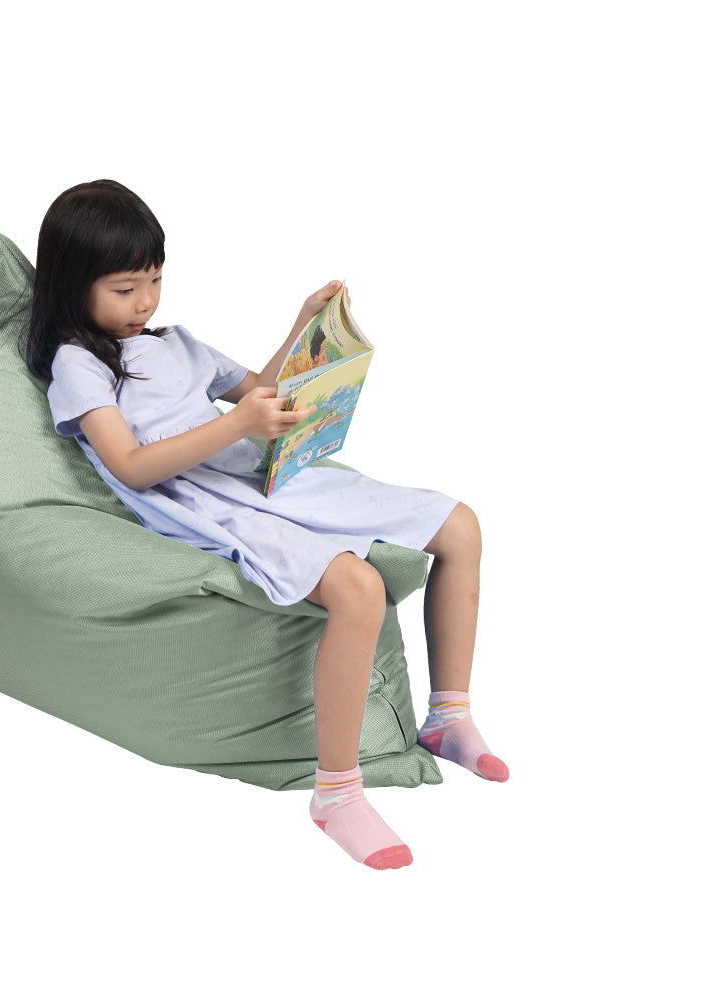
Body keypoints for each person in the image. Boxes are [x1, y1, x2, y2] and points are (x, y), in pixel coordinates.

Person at [29, 179, 508, 871]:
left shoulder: (176, 344)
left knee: (460, 526)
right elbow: (130, 466)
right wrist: (237, 425)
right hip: (204, 502)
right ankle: (336, 793)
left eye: (155, 280)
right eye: (125, 288)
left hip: (256, 474)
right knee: (358, 589)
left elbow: (261, 388)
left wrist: (304, 327)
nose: (145, 302)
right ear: (72, 285)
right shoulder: (79, 365)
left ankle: (449, 716)